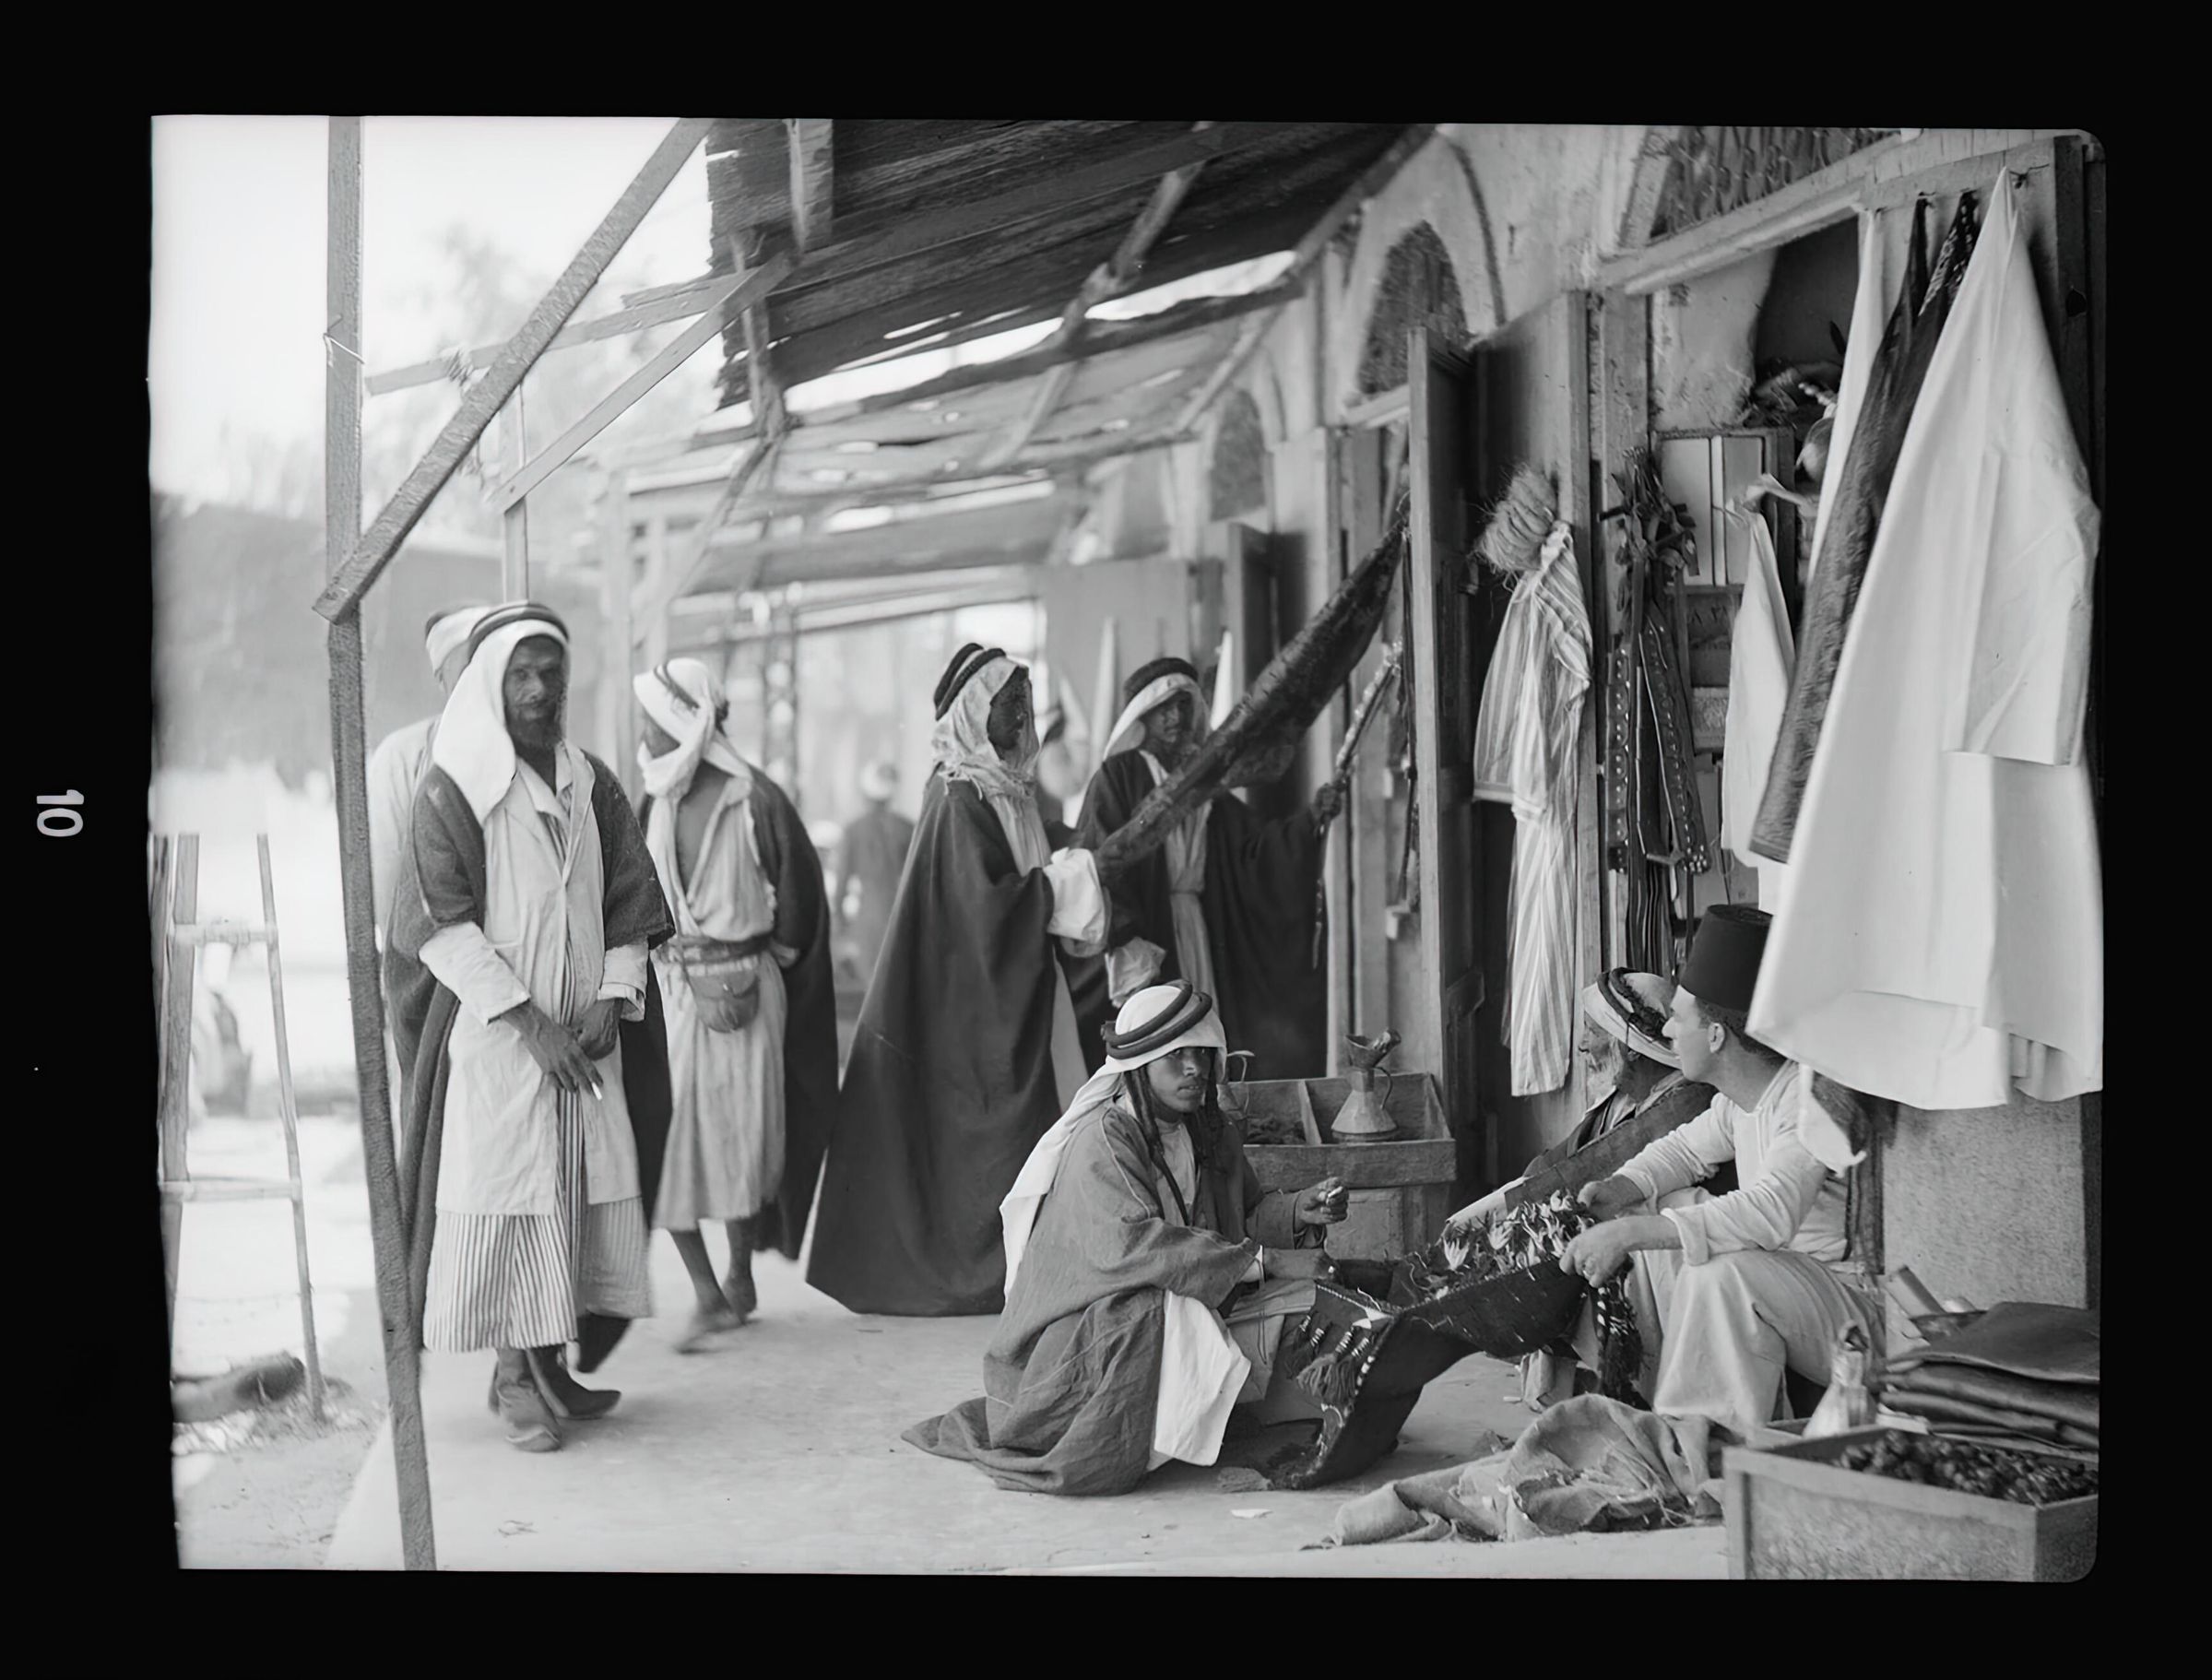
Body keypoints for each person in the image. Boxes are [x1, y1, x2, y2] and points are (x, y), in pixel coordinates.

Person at [384, 604, 676, 1454]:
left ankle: (549, 1368)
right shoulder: (453, 786)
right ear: (490, 682)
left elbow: (631, 900)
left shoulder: (591, 778)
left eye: (553, 671)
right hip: (499, 1040)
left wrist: (610, 995)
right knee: (511, 1195)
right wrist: (529, 1023)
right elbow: (436, 922)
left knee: (572, 1197)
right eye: (523, 673)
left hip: (583, 1038)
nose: (542, 688)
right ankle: (514, 1379)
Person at [905, 982, 1348, 1495]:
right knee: (1148, 1312)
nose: (1193, 1069)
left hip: (1186, 1293)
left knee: (1321, 1306)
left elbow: (1242, 1215)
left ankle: (1191, 1422)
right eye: (1175, 1056)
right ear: (1139, 1065)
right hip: (1082, 1334)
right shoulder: (1103, 1139)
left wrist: (1297, 1208)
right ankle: (1122, 1441)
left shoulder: (1210, 1130)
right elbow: (1136, 1249)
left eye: (1201, 1055)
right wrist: (1267, 1262)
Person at [806, 645, 1108, 1316]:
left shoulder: (1005, 791)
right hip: (969, 1000)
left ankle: (1052, 1253)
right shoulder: (958, 795)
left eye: (1024, 700)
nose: (1021, 713)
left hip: (1022, 985)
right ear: (975, 712)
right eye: (1007, 701)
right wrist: (1065, 883)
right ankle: (1005, 1264)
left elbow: (1030, 864)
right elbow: (988, 905)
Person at [1556, 906, 1876, 1437]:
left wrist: (1632, 1232)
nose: (1665, 1027)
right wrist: (1618, 1191)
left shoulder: (1805, 1099)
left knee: (1721, 1271)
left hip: (1850, 1316)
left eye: (1680, 1016)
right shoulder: (1739, 1102)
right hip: (1790, 1288)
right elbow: (1683, 1150)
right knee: (1655, 1207)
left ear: (1716, 1037)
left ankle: (1699, 1443)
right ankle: (1659, 1407)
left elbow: (1771, 1210)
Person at [633, 658, 839, 1350]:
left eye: (652, 722)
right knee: (670, 1146)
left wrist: (753, 968)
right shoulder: (654, 802)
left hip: (751, 989)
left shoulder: (755, 799)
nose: (643, 735)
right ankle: (705, 1291)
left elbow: (800, 905)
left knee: (746, 1142)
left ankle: (738, 1274)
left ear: (682, 723)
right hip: (678, 994)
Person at [1074, 657, 1339, 1082]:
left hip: (1197, 926)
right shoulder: (1118, 776)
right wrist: (1128, 942)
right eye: (1163, 708)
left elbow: (1251, 851)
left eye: (1182, 704)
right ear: (1142, 715)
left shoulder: (1202, 784)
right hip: (1148, 939)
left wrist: (1310, 821)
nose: (1175, 716)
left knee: (1200, 1042)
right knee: (1156, 1049)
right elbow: (1103, 863)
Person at [368, 604, 494, 943]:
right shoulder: (401, 760)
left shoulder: (533, 756)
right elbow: (390, 896)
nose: (479, 685)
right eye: (466, 672)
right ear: (442, 680)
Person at [832, 761, 914, 986]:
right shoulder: (908, 829)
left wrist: (841, 931)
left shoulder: (854, 830)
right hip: (902, 918)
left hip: (867, 924)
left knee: (871, 993)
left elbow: (841, 887)